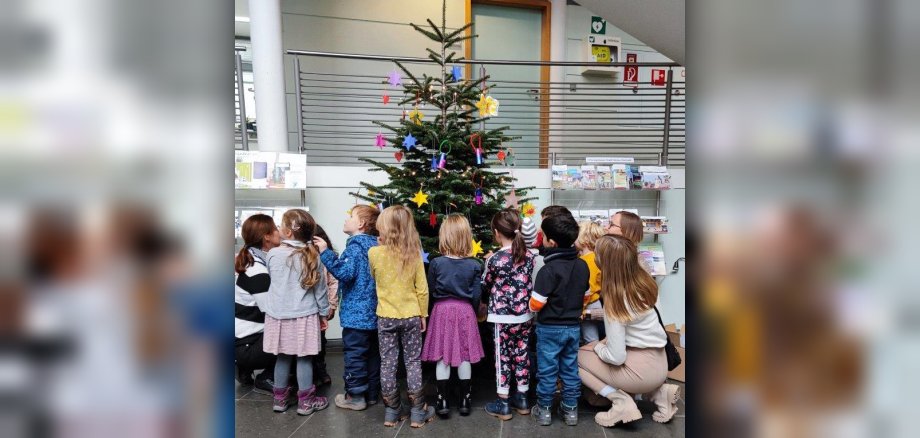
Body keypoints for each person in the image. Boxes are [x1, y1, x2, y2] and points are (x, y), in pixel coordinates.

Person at [577, 235, 680, 428]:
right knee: (596, 349)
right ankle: (658, 394)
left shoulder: (616, 301)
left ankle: (619, 402)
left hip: (640, 370)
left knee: (573, 359)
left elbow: (616, 357)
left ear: (604, 263)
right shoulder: (644, 284)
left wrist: (598, 347)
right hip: (660, 363)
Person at [369, 205, 436, 428]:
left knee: (388, 362)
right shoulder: (415, 254)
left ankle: (391, 411)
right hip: (411, 316)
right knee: (413, 362)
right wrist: (423, 314)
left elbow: (374, 276)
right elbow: (422, 289)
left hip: (386, 316)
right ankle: (418, 412)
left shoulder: (374, 253)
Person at [313, 205, 381, 411]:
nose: (346, 219)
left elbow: (345, 272)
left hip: (356, 315)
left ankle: (355, 396)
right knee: (373, 354)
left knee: (354, 354)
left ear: (360, 224)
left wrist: (325, 252)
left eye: (350, 216)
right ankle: (371, 394)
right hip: (376, 313)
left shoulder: (355, 247)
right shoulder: (376, 247)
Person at [263, 209, 330, 415]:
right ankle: (306, 403)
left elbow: (273, 279)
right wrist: (324, 313)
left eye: (281, 225)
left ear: (289, 232)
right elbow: (321, 290)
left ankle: (280, 400)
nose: (279, 228)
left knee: (282, 357)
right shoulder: (313, 255)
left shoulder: (273, 254)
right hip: (305, 315)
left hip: (278, 315)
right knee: (304, 358)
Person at [528, 213, 590, 426]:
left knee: (547, 370)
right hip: (573, 328)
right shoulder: (582, 266)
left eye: (543, 236)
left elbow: (536, 304)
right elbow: (587, 295)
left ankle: (544, 410)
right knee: (570, 369)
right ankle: (571, 410)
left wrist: (531, 303)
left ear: (551, 242)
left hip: (549, 329)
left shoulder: (548, 270)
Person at [420, 214, 484, 419]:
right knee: (464, 354)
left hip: (441, 311)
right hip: (465, 311)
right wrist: (472, 312)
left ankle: (442, 400)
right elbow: (476, 295)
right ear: (467, 237)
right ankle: (465, 401)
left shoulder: (436, 263)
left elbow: (430, 290)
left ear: (444, 236)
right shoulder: (474, 265)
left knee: (442, 356)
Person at [481, 208, 536, 421]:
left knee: (502, 357)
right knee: (521, 354)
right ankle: (522, 398)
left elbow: (485, 284)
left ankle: (503, 402)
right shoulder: (529, 255)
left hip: (501, 318)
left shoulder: (494, 258)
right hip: (524, 315)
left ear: (496, 232)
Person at [234, 214, 281, 394]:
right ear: (266, 236)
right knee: (293, 332)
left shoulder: (249, 259)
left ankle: (243, 367)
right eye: (276, 228)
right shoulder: (257, 270)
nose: (279, 230)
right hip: (246, 345)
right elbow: (270, 310)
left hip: (241, 339)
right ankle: (265, 377)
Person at [311, 225, 338, 386]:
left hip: (320, 308)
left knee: (320, 341)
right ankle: (307, 372)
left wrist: (332, 305)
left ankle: (321, 370)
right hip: (304, 307)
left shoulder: (327, 257)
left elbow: (333, 282)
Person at [576, 221, 607, 344]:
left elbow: (589, 288)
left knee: (590, 339)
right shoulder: (592, 258)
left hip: (589, 304)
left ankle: (592, 360)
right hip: (591, 302)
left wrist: (580, 311)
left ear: (585, 239)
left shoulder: (588, 261)